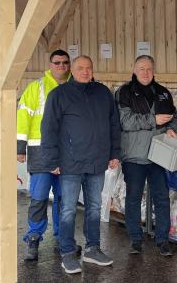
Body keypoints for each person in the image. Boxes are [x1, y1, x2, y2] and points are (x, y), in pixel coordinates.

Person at [40, 55, 122, 275]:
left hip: (97, 162)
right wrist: (51, 160)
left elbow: (114, 124)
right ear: (72, 71)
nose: (85, 71)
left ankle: (92, 249)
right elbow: (48, 129)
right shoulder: (59, 95)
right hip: (71, 163)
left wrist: (115, 152)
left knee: (94, 207)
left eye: (88, 68)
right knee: (68, 209)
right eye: (80, 68)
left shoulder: (103, 93)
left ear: (92, 70)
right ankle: (67, 253)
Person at [116, 55, 177, 257]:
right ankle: (136, 239)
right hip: (134, 156)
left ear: (154, 71)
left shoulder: (163, 93)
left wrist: (171, 128)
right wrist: (153, 120)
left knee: (162, 198)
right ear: (134, 70)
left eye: (149, 69)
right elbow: (125, 122)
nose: (145, 72)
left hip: (158, 155)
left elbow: (173, 117)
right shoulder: (125, 92)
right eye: (141, 69)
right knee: (133, 198)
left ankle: (163, 239)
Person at [17, 49, 71, 261]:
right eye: (57, 62)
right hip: (40, 152)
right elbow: (23, 117)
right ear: (50, 65)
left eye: (65, 62)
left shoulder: (75, 86)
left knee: (64, 198)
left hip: (67, 152)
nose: (61, 66)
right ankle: (34, 237)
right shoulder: (36, 87)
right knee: (39, 197)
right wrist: (20, 147)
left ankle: (62, 238)